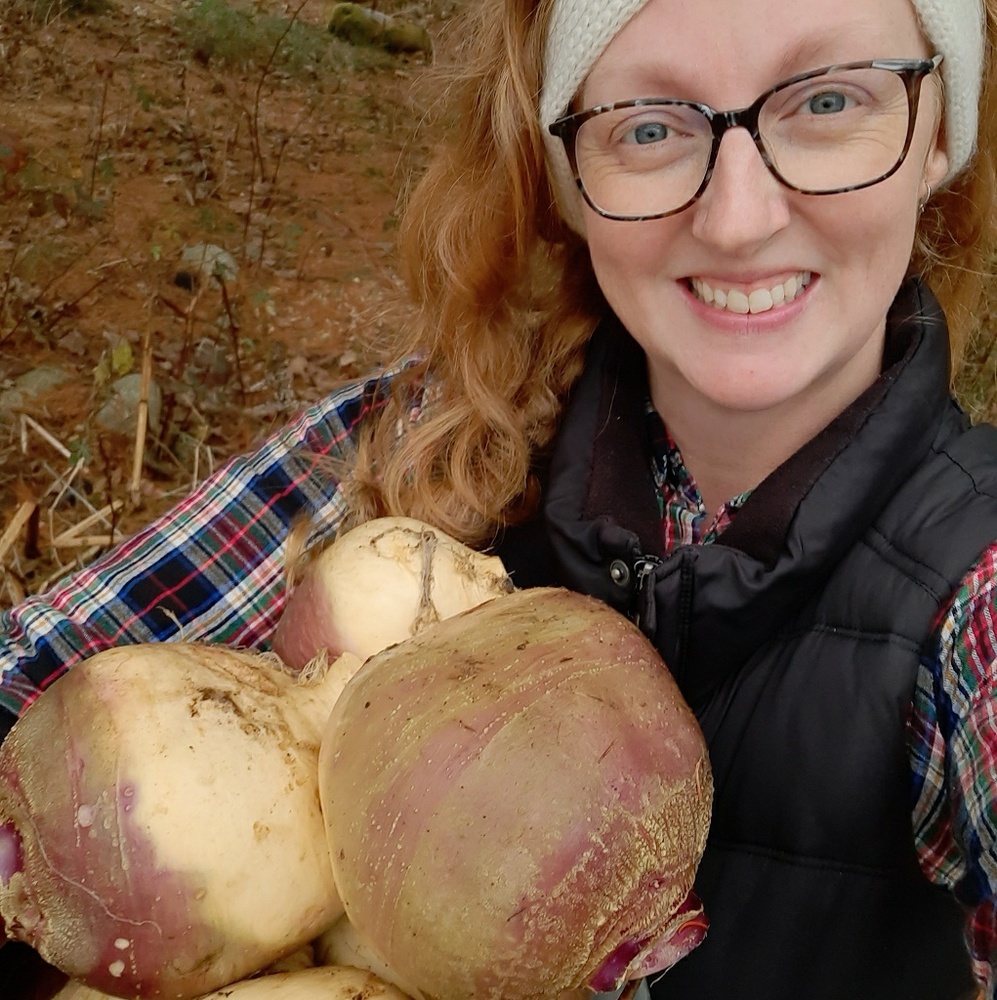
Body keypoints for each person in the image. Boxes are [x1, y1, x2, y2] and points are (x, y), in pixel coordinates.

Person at [1, 0, 996, 996]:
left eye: (827, 100)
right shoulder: (424, 446)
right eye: (648, 125)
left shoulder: (971, 592)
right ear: (569, 180)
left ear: (937, 131)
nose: (738, 217)